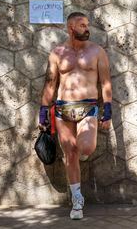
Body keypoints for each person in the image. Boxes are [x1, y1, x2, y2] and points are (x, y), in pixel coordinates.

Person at [38, 12, 112, 220]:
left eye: (87, 25)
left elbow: (105, 83)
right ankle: (77, 200)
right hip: (63, 108)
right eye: (82, 25)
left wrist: (107, 111)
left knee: (85, 147)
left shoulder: (97, 52)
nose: (87, 28)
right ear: (71, 28)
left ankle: (82, 149)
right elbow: (50, 84)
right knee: (70, 153)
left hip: (88, 106)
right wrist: (43, 113)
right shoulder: (57, 53)